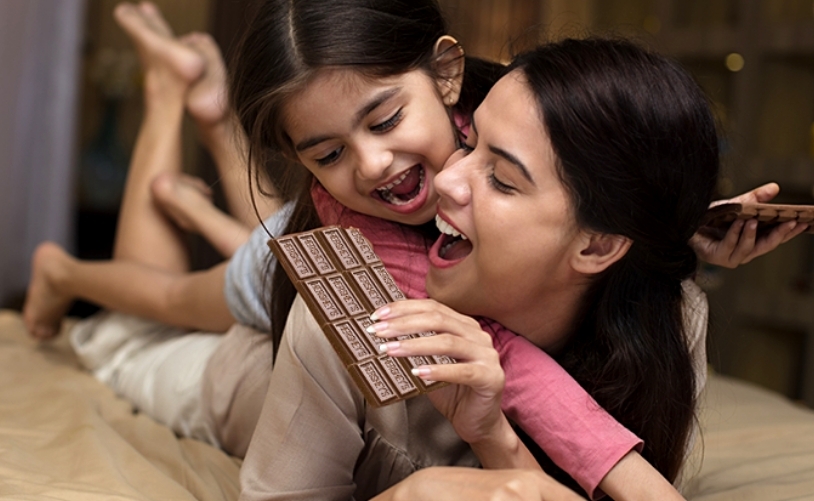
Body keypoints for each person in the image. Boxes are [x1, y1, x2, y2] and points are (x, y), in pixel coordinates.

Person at [20, 0, 804, 495]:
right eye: (328, 150)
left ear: (451, 80)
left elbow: (581, 185)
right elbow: (516, 364)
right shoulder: (366, 269)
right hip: (314, 265)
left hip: (363, 248)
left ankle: (200, 155)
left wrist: (676, 227)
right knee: (144, 320)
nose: (449, 178)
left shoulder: (493, 133)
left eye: (388, 120)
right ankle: (85, 238)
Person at [236, 37, 721, 500]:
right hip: (249, 343)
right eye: (468, 142)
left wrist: (497, 440)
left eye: (502, 180)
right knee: (192, 314)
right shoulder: (354, 307)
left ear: (599, 248)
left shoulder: (671, 324)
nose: (447, 177)